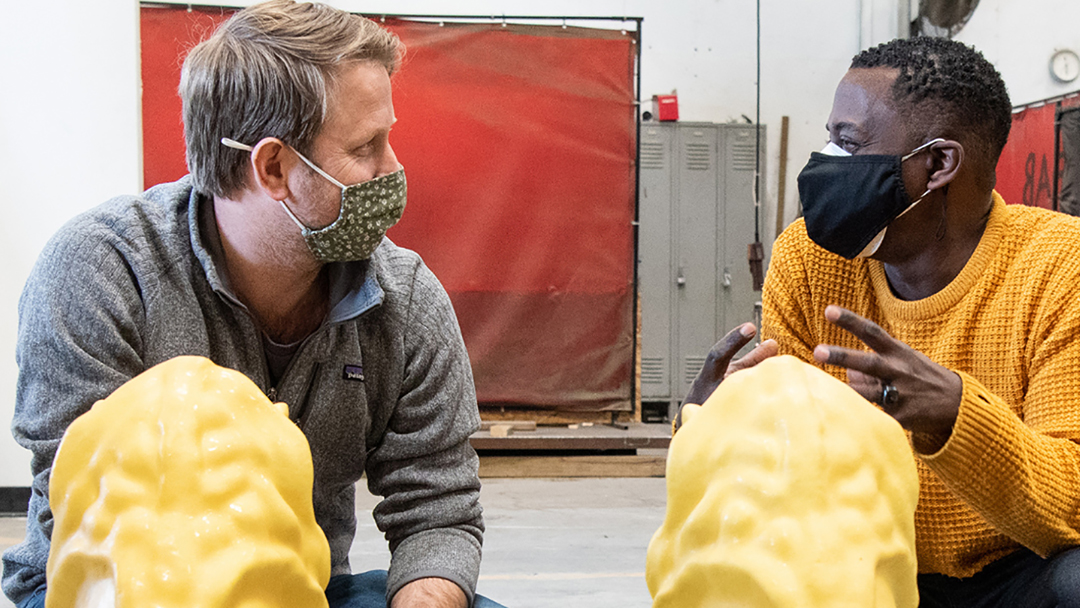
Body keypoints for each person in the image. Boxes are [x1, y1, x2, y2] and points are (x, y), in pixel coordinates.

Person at [1, 2, 505, 607]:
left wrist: (426, 597)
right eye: (367, 146)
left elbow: (437, 507)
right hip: (112, 587)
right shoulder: (103, 273)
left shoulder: (404, 299)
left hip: (300, 589)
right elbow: (84, 507)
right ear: (273, 166)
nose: (394, 168)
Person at [683, 37, 1080, 607]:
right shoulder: (808, 258)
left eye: (848, 142)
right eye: (829, 138)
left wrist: (956, 418)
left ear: (939, 164)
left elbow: (1073, 504)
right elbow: (785, 479)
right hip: (859, 571)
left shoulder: (1060, 267)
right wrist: (711, 427)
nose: (826, 161)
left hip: (1016, 576)